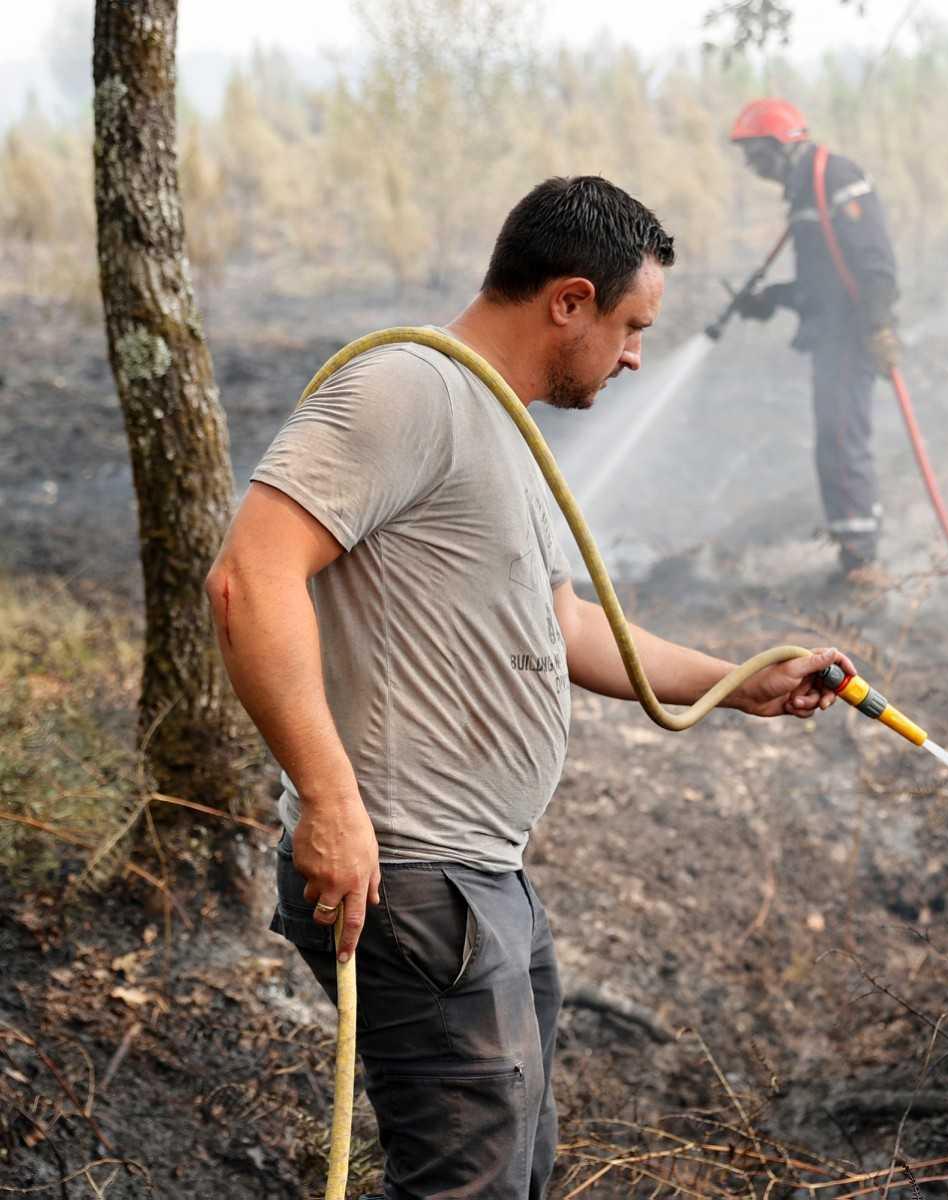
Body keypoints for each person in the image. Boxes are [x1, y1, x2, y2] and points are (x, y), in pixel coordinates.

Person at [205, 175, 853, 1200]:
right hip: (415, 874)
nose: (638, 353)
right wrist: (329, 802)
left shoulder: (502, 422)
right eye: (631, 324)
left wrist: (738, 683)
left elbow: (565, 624)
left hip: (479, 876)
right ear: (567, 301)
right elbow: (252, 576)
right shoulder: (405, 390)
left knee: (518, 1171)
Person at [728, 97, 901, 583]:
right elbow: (818, 287)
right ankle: (853, 548)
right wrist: (770, 299)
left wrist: (879, 325)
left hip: (852, 336)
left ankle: (863, 559)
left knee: (844, 436)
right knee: (834, 436)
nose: (753, 167)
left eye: (757, 155)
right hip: (832, 335)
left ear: (782, 146)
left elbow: (875, 263)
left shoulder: (836, 179)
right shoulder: (807, 191)